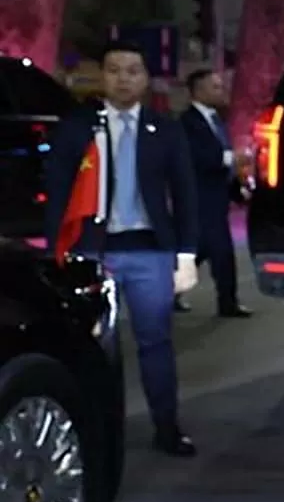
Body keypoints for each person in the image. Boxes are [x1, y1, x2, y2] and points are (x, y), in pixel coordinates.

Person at [44, 41, 201, 457]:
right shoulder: (80, 126)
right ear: (102, 77)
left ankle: (167, 426)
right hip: (94, 252)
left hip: (150, 251)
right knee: (96, 349)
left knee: (155, 342)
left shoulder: (165, 128)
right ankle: (98, 436)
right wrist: (55, 253)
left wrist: (186, 254)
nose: (123, 79)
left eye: (132, 70)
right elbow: (58, 192)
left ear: (146, 79)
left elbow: (185, 194)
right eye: (114, 70)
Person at [178, 68, 250, 318]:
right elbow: (198, 158)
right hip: (200, 197)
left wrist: (237, 191)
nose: (221, 91)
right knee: (220, 251)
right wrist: (232, 157)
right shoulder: (187, 122)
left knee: (202, 250)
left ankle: (172, 291)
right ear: (199, 91)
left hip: (217, 196)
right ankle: (227, 303)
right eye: (215, 87)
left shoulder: (217, 120)